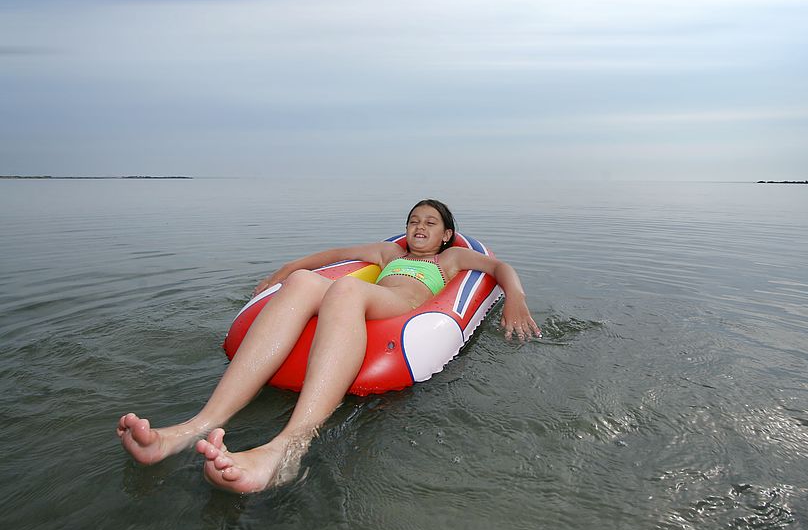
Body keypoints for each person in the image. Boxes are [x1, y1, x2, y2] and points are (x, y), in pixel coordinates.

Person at [117, 199, 541, 493]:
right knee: (304, 283)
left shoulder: (451, 260)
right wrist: (284, 271)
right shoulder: (387, 251)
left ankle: (288, 448)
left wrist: (516, 299)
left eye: (430, 222)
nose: (419, 226)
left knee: (346, 294)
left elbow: (500, 267)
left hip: (397, 307)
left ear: (448, 234)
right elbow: (331, 254)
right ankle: (196, 426)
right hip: (372, 298)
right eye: (414, 219)